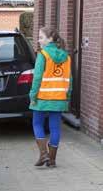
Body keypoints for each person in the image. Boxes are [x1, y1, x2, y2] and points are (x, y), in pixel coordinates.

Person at [30, 27, 72, 168]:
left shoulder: (43, 55)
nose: (38, 40)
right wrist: (67, 96)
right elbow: (69, 79)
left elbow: (37, 77)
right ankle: (52, 160)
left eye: (41, 37)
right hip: (59, 97)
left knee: (37, 124)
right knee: (55, 128)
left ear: (50, 39)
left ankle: (43, 154)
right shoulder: (66, 57)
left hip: (42, 96)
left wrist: (32, 95)